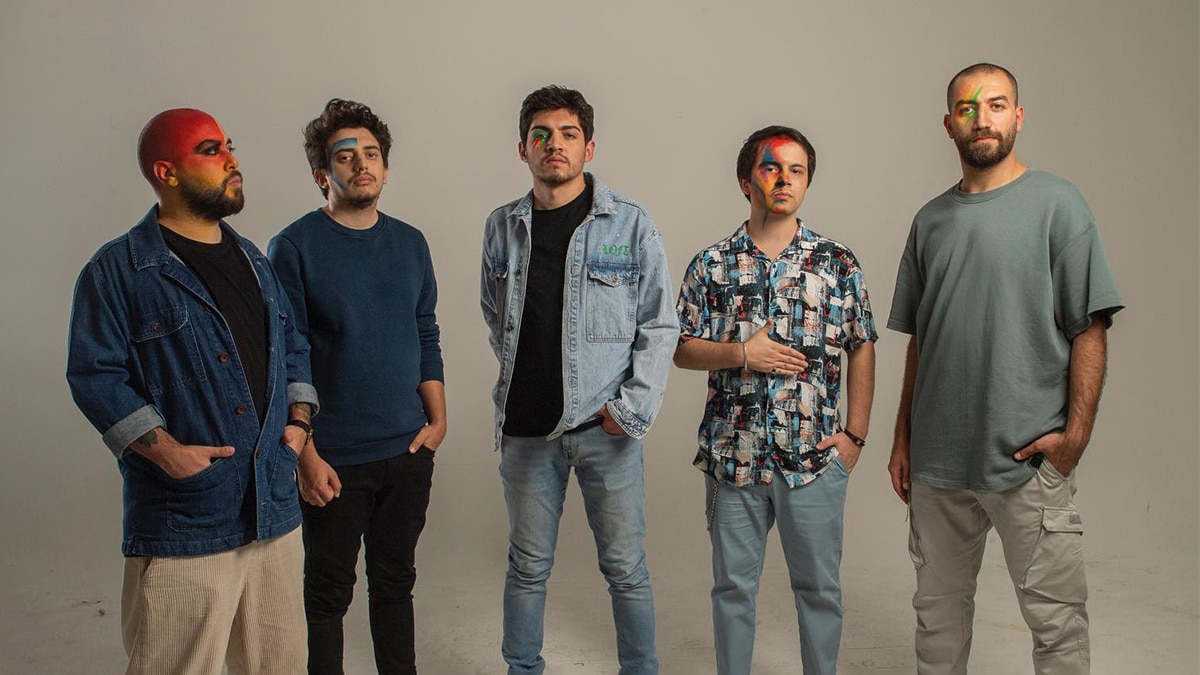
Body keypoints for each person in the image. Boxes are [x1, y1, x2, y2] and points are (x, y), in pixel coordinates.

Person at [887, 63, 1124, 675]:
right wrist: (902, 437)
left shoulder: (1058, 205)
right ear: (949, 125)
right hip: (939, 466)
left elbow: (1089, 327)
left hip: (1027, 461)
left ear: (1018, 117)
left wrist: (1074, 438)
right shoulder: (929, 221)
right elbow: (923, 338)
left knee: (1058, 626)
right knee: (937, 626)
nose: (982, 119)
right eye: (967, 108)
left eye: (996, 105)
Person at [66, 108, 318, 675]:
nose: (231, 159)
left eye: (229, 145)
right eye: (210, 150)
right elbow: (94, 374)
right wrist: (165, 453)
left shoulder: (255, 260)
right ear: (166, 172)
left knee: (280, 666)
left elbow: (293, 348)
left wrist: (299, 427)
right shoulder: (118, 271)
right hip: (187, 519)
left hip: (274, 512)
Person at [479, 85, 676, 675]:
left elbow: (660, 323)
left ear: (589, 148)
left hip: (604, 430)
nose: (554, 145)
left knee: (626, 570)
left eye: (568, 134)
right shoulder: (502, 226)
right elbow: (495, 313)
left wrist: (630, 409)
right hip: (525, 433)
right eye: (541, 135)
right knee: (527, 567)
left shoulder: (630, 224)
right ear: (523, 149)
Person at [675, 125, 877, 675]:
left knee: (819, 590)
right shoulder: (711, 264)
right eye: (770, 167)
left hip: (813, 460)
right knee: (732, 589)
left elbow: (861, 345)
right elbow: (680, 348)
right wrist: (743, 354)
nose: (783, 179)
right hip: (733, 457)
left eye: (796, 170)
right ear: (746, 181)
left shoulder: (837, 264)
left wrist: (855, 438)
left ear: (807, 182)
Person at [268, 99, 445, 675]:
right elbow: (286, 354)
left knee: (395, 583)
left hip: (407, 450)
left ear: (385, 169)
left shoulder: (411, 243)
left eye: (371, 154)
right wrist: (306, 454)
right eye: (345, 156)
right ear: (323, 175)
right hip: (333, 457)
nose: (361, 164)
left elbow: (425, 331)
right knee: (326, 595)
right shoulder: (293, 247)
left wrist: (437, 420)